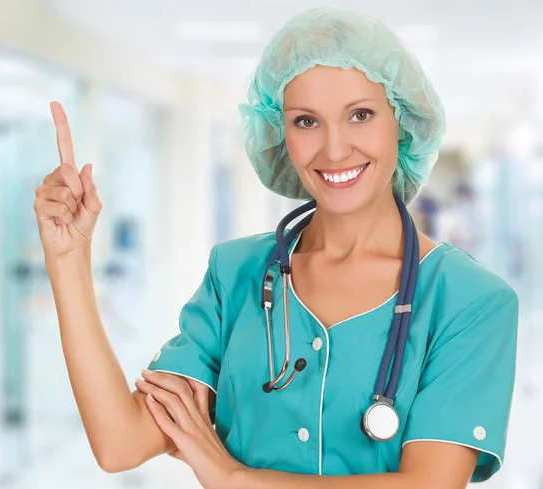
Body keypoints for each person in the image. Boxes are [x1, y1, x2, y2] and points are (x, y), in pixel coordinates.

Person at [33, 6, 519, 489]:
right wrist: (67, 259)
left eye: (361, 115)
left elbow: (429, 486)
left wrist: (233, 478)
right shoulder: (237, 274)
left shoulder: (469, 300)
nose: (333, 149)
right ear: (280, 133)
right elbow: (121, 443)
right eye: (306, 121)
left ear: (403, 122)